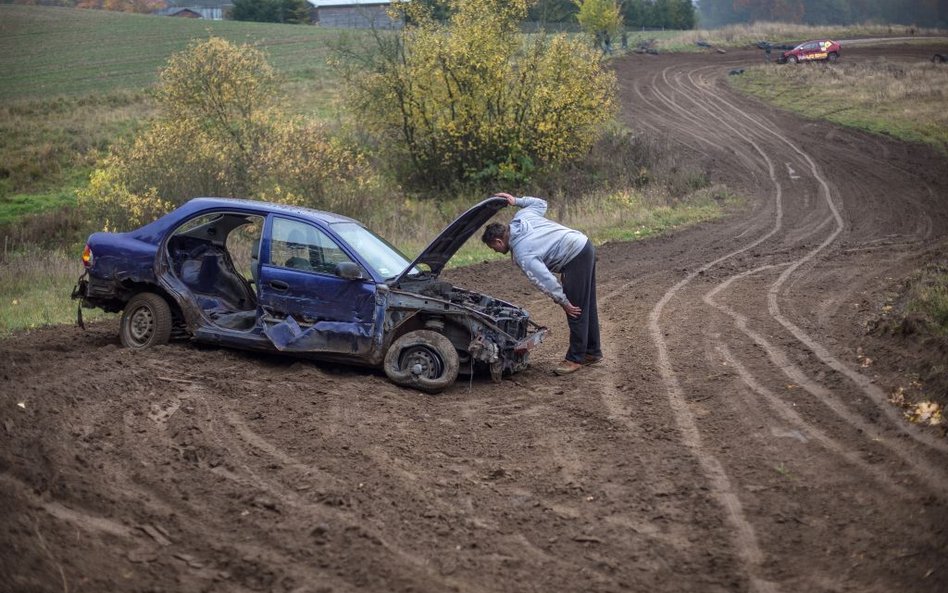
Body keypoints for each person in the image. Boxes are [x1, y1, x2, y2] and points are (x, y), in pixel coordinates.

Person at [482, 193, 602, 376]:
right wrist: (517, 201)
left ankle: (575, 359)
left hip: (575, 256)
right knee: (586, 305)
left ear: (499, 241)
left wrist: (563, 301)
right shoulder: (521, 217)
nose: (496, 252)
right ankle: (592, 352)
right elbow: (541, 203)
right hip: (583, 245)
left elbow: (545, 280)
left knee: (575, 309)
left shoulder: (523, 253)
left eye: (494, 248)